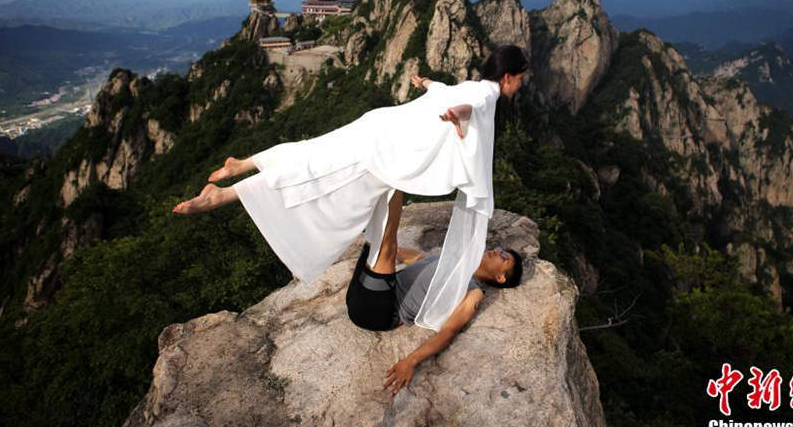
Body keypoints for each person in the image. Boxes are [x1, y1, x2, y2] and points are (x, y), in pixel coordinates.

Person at [172, 44, 528, 337]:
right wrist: (455, 113)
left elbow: (445, 90)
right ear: (508, 76)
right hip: (392, 148)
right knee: (333, 178)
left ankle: (245, 166)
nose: (519, 89)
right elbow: (470, 105)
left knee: (322, 153)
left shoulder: (472, 84)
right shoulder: (488, 93)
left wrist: (426, 84)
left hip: (385, 126)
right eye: (520, 82)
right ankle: (230, 190)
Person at [344, 184, 523, 395]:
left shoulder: (473, 292)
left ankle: (394, 181)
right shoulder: (455, 259)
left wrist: (411, 361)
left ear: (500, 277)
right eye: (500, 249)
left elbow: (449, 331)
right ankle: (389, 182)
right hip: (360, 295)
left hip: (380, 311)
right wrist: (397, 252)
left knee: (385, 241)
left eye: (504, 257)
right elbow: (417, 258)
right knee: (374, 240)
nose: (497, 251)